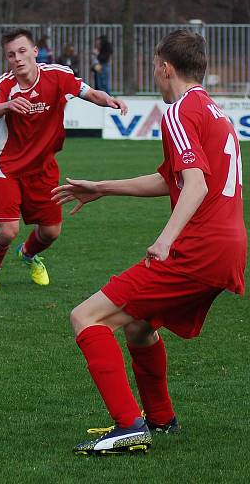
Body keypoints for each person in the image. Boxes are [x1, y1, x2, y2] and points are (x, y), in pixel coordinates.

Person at [53, 29, 246, 455]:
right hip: (229, 246)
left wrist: (164, 240)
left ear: (164, 67)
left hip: (198, 248)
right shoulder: (212, 110)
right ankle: (160, 419)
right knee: (139, 325)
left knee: (86, 317)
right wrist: (102, 187)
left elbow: (193, 186)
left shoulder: (178, 112)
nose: (154, 75)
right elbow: (170, 179)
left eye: (154, 68)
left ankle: (128, 426)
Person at [0, 28, 127, 291]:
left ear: (35, 52)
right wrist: (8, 105)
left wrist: (109, 100)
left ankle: (28, 254)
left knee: (51, 232)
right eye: (11, 55)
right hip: (7, 166)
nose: (18, 58)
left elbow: (90, 92)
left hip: (43, 167)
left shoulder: (57, 75)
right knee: (8, 231)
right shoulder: (4, 84)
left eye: (23, 51)